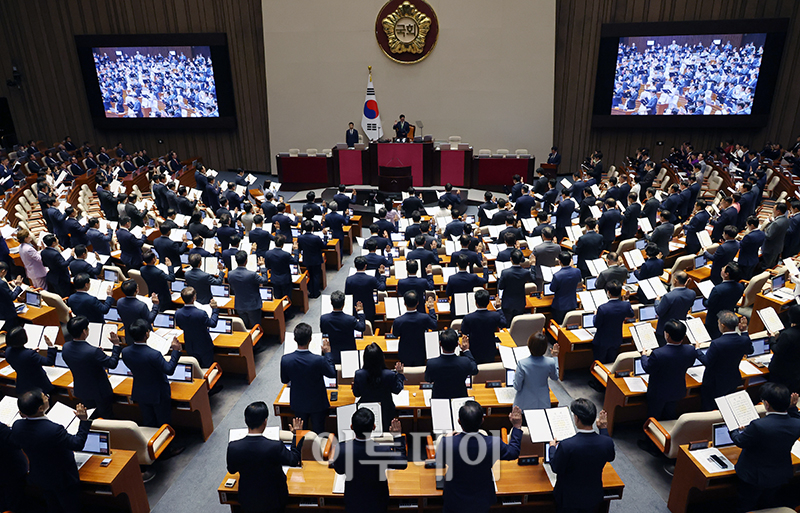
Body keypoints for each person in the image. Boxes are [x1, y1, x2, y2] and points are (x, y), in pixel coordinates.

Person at [11, 389, 91, 513]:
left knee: (53, 507)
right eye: (45, 397)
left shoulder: (17, 426)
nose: (48, 397)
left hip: (40, 476)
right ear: (40, 409)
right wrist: (84, 421)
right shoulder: (53, 430)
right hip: (63, 479)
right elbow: (77, 443)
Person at [436, 402, 523, 513]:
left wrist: (448, 439)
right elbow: (513, 452)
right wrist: (516, 426)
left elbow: (439, 461)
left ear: (459, 422)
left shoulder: (448, 443)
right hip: (481, 500)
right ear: (482, 420)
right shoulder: (493, 443)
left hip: (455, 499)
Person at [729, 383, 800, 512]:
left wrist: (733, 428)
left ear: (766, 404)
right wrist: (793, 407)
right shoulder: (796, 424)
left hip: (753, 475)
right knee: (767, 503)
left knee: (746, 505)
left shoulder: (759, 426)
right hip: (779, 473)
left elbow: (740, 441)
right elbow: (795, 418)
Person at [226, 403, 303, 513]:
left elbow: (232, 470)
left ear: (245, 420)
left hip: (248, 500)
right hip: (274, 500)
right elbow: (294, 460)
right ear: (265, 421)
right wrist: (297, 435)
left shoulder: (233, 447)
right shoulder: (275, 446)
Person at [332, 409, 407, 513]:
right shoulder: (382, 450)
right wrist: (397, 437)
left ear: (352, 427)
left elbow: (339, 470)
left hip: (353, 499)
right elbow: (402, 463)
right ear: (374, 427)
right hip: (378, 500)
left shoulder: (342, 449)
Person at [548, 400, 615, 513]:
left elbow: (556, 467)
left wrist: (552, 448)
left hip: (568, 500)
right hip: (593, 496)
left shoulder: (567, 445)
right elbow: (610, 457)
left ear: (577, 418)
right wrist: (603, 429)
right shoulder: (606, 442)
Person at [122, 319, 183, 427]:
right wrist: (176, 351)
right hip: (158, 393)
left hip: (140, 391)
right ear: (147, 334)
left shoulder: (125, 352)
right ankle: (167, 443)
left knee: (148, 421)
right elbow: (169, 370)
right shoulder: (154, 354)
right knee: (164, 421)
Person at [62, 316, 123, 419]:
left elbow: (81, 361)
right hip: (100, 392)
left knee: (91, 417)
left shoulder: (66, 347)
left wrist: (98, 355)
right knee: (106, 417)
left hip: (82, 390)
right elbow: (112, 364)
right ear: (84, 331)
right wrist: (116, 345)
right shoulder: (93, 352)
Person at [280, 323, 336, 433]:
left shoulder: (286, 359)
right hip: (318, 403)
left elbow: (284, 380)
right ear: (310, 339)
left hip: (298, 402)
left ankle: (300, 450)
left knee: (300, 432)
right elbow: (332, 373)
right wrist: (328, 353)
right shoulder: (318, 360)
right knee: (319, 431)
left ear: (295, 339)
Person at [696, 310, 753, 410]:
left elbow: (707, 362)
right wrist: (744, 331)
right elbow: (750, 350)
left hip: (714, 382)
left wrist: (697, 350)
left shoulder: (717, 343)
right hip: (732, 379)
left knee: (710, 407)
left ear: (722, 325)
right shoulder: (743, 339)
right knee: (727, 407)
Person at [640, 320, 696, 420]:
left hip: (658, 392)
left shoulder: (658, 354)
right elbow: (689, 364)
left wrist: (643, 356)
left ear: (667, 335)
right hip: (677, 389)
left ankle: (651, 435)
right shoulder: (690, 350)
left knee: (653, 418)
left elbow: (648, 368)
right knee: (670, 415)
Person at [352, 344, 405, 432]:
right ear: (381, 358)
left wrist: (355, 386)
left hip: (366, 410)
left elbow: (357, 394)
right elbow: (397, 389)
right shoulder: (389, 374)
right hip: (386, 410)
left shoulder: (359, 374)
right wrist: (400, 374)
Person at [3, 325, 57, 394]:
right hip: (39, 386)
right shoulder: (30, 355)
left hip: (23, 385)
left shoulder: (8, 351)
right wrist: (50, 346)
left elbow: (21, 355)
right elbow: (49, 362)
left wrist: (30, 351)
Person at [425, 330, 478, 399]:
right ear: (457, 344)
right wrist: (466, 350)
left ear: (440, 344)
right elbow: (475, 370)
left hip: (439, 399)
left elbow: (428, 379)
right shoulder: (465, 362)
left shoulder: (432, 363)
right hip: (460, 398)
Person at [175, 287, 220, 368]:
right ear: (194, 298)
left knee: (195, 368)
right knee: (207, 367)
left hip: (189, 345)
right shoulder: (201, 313)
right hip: (204, 345)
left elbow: (180, 326)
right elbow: (213, 324)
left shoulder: (178, 313)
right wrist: (215, 310)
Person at [391, 291, 438, 367]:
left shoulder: (398, 320)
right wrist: (431, 309)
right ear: (418, 303)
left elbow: (395, 334)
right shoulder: (424, 318)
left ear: (404, 304)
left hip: (404, 353)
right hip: (421, 352)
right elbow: (434, 325)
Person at [513, 333, 559, 409]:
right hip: (542, 403)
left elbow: (517, 387)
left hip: (524, 404)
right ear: (545, 348)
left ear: (529, 346)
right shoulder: (550, 362)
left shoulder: (522, 364)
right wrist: (555, 357)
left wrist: (515, 375)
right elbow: (555, 377)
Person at [592, 281, 634, 363]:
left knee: (599, 363)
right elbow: (631, 314)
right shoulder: (625, 305)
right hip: (616, 339)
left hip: (602, 341)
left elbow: (596, 324)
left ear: (608, 293)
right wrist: (626, 300)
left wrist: (595, 315)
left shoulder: (602, 308)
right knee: (611, 362)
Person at [460, 289, 506, 364]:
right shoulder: (495, 315)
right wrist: (498, 308)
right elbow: (503, 324)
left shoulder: (468, 318)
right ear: (488, 302)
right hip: (490, 349)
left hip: (474, 350)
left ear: (476, 302)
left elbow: (464, 331)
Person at [227, 250, 271, 329]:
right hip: (253, 305)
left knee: (244, 328)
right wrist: (263, 267)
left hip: (240, 305)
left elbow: (233, 287)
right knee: (256, 328)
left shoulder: (230, 274)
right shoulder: (252, 274)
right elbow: (265, 280)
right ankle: (258, 341)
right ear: (246, 261)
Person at [319, 291, 366, 364]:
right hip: (349, 354)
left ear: (331, 303)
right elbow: (362, 327)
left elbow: (324, 331)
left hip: (333, 353)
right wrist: (360, 312)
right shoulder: (350, 319)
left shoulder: (324, 318)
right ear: (344, 304)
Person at [704, 263, 745, 340]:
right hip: (729, 313)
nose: (721, 268)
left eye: (723, 268)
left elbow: (709, 304)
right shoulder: (740, 286)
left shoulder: (718, 289)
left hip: (714, 318)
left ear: (726, 274)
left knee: (713, 337)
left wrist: (704, 300)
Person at [654, 271, 695, 345]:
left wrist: (657, 301)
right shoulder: (692, 293)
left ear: (675, 280)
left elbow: (659, 311)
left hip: (666, 328)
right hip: (680, 326)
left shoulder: (668, 296)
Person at [344, 255, 387, 322]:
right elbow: (382, 287)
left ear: (355, 266)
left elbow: (347, 295)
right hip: (369, 308)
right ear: (365, 266)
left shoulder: (349, 279)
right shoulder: (371, 279)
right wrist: (382, 275)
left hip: (356, 308)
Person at [769, 304, 800, 393]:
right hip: (796, 371)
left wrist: (772, 339)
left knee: (777, 393)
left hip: (781, 371)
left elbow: (777, 350)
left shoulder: (788, 334)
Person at [497, 249, 535, 322]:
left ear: (511, 259)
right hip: (520, 303)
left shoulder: (505, 272)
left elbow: (501, 286)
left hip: (507, 303)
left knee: (507, 324)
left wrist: (500, 278)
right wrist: (533, 265)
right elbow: (533, 278)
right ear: (521, 259)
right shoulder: (525, 272)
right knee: (518, 323)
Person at [264, 235, 300, 304]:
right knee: (287, 297)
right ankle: (288, 314)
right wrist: (295, 250)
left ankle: (280, 314)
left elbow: (267, 266)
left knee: (277, 298)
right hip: (285, 279)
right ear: (283, 244)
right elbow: (295, 261)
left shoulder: (268, 253)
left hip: (274, 279)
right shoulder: (286, 254)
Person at [550, 251, 583, 324]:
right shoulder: (577, 271)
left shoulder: (557, 275)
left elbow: (552, 289)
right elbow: (579, 281)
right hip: (572, 303)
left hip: (559, 306)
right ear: (571, 260)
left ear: (559, 262)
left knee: (560, 325)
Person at [298, 220, 325, 298]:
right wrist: (325, 237)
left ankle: (310, 291)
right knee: (316, 276)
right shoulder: (316, 238)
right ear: (312, 228)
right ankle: (315, 293)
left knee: (310, 275)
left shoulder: (300, 237)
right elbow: (323, 246)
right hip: (316, 259)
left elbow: (300, 248)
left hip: (307, 259)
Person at [0, 263, 23, 331]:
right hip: (6, 313)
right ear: (3, 271)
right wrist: (18, 286)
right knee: (12, 331)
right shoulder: (1, 284)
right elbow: (12, 296)